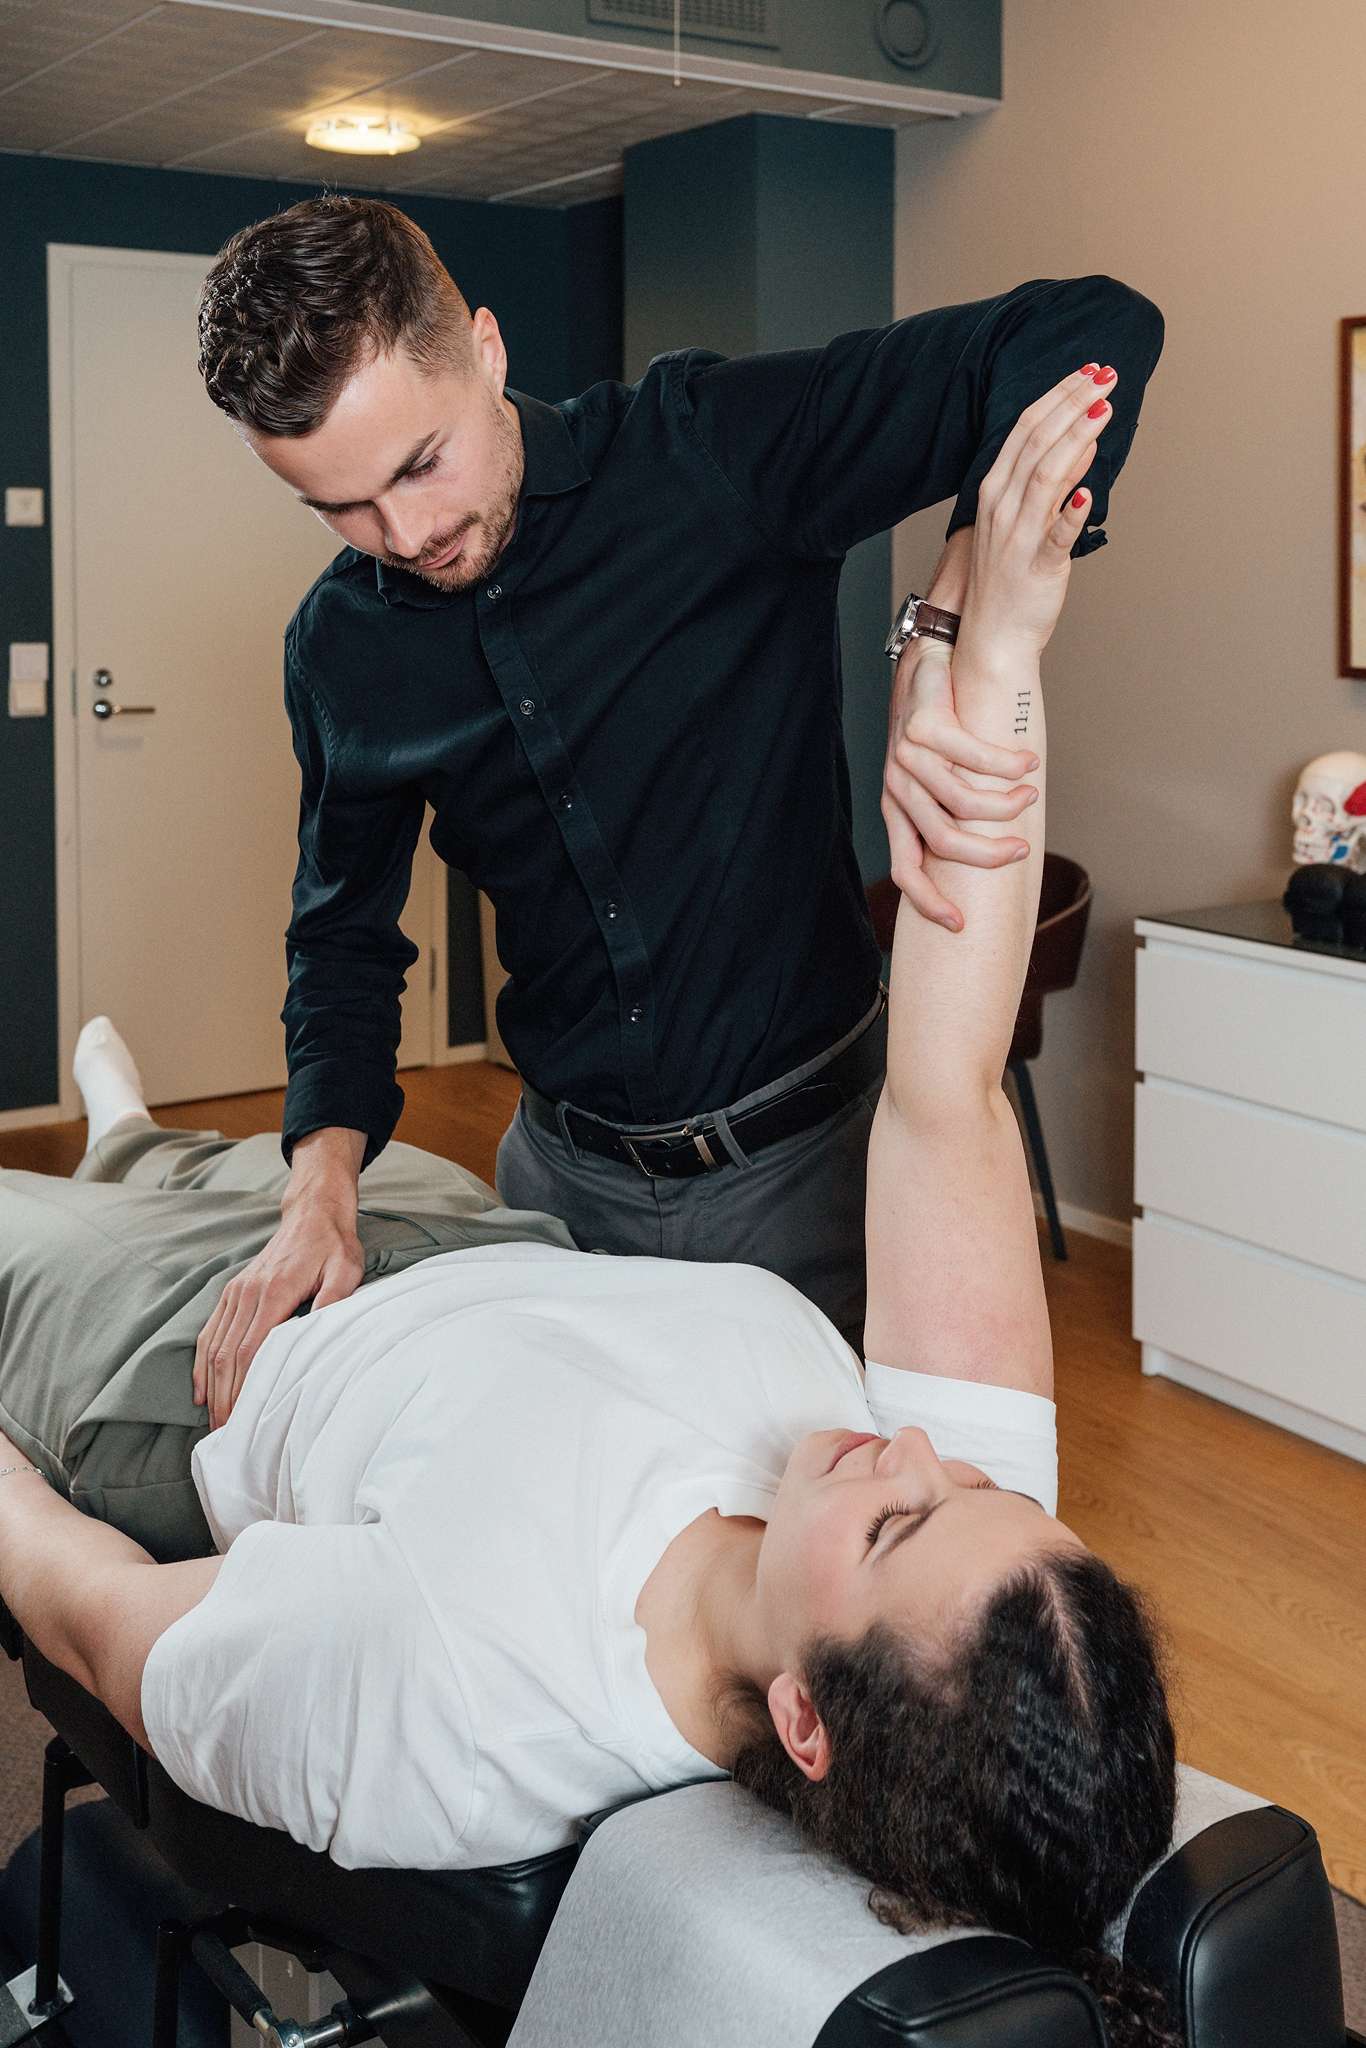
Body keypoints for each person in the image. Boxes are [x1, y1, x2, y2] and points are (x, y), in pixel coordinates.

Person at [0, 374, 1177, 2048]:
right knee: (246, 1166)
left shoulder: (459, 1698)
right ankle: (130, 1136)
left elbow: (103, 1622)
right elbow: (945, 1086)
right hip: (470, 1244)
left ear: (804, 1721)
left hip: (201, 1367)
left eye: (899, 1518)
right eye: (973, 1481)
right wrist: (983, 656)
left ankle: (111, 1172)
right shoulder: (963, 1573)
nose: (917, 1446)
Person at [191, 190, 1164, 1390]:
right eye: (338, 506)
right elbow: (341, 939)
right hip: (558, 1200)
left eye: (421, 464)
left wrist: (941, 631)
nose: (404, 532)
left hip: (817, 1178)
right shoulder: (341, 647)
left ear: (485, 351)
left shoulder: (703, 449)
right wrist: (319, 1190)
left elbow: (1087, 328)